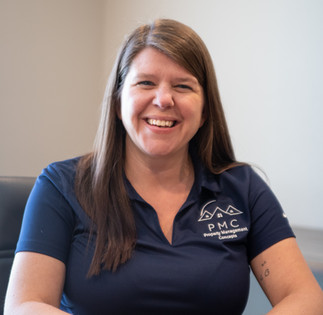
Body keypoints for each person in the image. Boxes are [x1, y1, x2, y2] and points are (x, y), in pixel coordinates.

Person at [4, 18, 323, 315]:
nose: (164, 99)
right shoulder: (62, 185)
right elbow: (25, 305)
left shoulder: (242, 187)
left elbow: (305, 297)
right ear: (117, 103)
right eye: (145, 83)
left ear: (205, 110)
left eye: (183, 86)